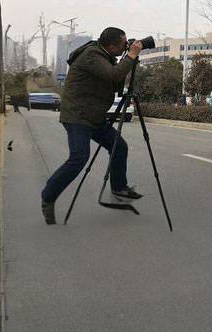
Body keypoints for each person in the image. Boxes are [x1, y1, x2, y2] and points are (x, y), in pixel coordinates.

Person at [40, 27, 144, 225]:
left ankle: (118, 187)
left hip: (93, 116)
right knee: (79, 158)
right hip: (78, 116)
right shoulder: (92, 55)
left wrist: (129, 59)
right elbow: (113, 76)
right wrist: (131, 56)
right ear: (111, 45)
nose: (126, 47)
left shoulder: (105, 56)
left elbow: (115, 83)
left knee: (118, 146)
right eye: (123, 44)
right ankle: (48, 196)